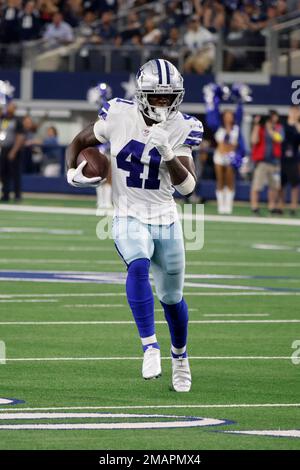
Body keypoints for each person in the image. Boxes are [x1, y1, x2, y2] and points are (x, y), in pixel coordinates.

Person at [66, 59, 204, 392]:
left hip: (166, 220)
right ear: (142, 95)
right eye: (156, 97)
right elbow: (79, 142)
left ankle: (180, 358)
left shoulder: (183, 126)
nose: (163, 103)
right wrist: (72, 173)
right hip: (128, 214)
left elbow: (188, 188)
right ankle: (149, 346)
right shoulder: (117, 114)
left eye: (169, 97)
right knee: (138, 265)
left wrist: (168, 154)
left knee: (172, 298)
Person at [204, 83, 246, 214]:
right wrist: (214, 99)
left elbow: (240, 113)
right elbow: (213, 113)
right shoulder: (218, 127)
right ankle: (221, 205)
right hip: (219, 156)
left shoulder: (236, 128)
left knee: (230, 180)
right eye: (226, 115)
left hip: (231, 156)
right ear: (223, 117)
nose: (229, 117)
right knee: (220, 180)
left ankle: (229, 205)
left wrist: (241, 100)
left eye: (230, 115)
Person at [250, 110, 284, 215]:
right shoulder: (260, 128)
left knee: (274, 186)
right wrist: (256, 125)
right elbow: (253, 141)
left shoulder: (279, 128)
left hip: (274, 162)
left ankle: (272, 207)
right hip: (262, 162)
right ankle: (255, 206)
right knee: (257, 185)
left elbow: (279, 139)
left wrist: (269, 129)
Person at [0, 101, 25, 202]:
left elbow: (20, 137)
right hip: (4, 149)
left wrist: (13, 151)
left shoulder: (17, 121)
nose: (8, 109)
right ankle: (5, 194)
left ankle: (17, 195)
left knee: (15, 173)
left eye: (11, 107)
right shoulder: (4, 120)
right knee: (3, 172)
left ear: (14, 109)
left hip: (14, 150)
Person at [278, 106, 300, 215]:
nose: (295, 113)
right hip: (281, 158)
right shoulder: (283, 124)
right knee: (281, 184)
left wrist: (297, 123)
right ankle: (281, 205)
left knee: (295, 184)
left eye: (297, 112)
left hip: (294, 159)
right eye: (294, 111)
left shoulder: (298, 126)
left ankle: (293, 206)